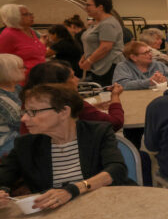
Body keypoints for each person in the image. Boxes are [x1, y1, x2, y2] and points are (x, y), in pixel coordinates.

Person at [0, 84, 130, 210]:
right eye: (24, 112)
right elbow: (3, 176)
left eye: (32, 112)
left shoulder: (98, 132)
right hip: (54, 215)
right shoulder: (26, 144)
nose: (23, 118)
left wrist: (73, 190)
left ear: (63, 112)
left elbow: (116, 169)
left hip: (105, 206)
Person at [23, 60, 124, 132]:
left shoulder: (28, 102)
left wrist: (93, 108)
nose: (77, 80)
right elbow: (115, 123)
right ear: (59, 83)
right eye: (72, 77)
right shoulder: (69, 102)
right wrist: (115, 96)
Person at [79, 0, 125, 87]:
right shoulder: (97, 23)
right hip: (99, 65)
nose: (85, 8)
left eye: (88, 5)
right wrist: (84, 58)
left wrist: (89, 61)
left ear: (100, 7)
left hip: (109, 66)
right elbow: (92, 44)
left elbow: (105, 47)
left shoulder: (108, 24)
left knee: (107, 95)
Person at [0, 3, 46, 79]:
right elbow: (3, 60)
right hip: (22, 80)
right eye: (26, 14)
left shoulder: (30, 31)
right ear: (14, 17)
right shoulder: (8, 34)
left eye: (30, 13)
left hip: (39, 76)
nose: (31, 16)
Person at [0, 54, 24, 156]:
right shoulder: (1, 97)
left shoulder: (17, 88)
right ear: (7, 72)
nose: (25, 69)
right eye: (20, 68)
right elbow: (19, 121)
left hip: (19, 133)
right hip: (6, 140)